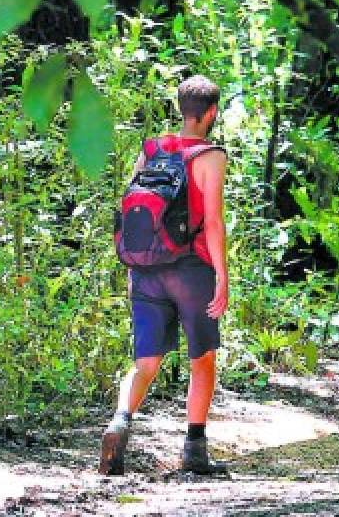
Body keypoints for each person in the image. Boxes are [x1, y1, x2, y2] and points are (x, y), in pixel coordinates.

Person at [99, 75, 229, 476]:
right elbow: (212, 221)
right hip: (191, 270)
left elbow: (132, 211)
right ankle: (194, 449)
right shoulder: (210, 156)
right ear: (210, 114)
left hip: (146, 269)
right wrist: (222, 276)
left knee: (145, 363)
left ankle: (120, 421)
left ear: (180, 108)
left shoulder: (152, 150)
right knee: (201, 358)